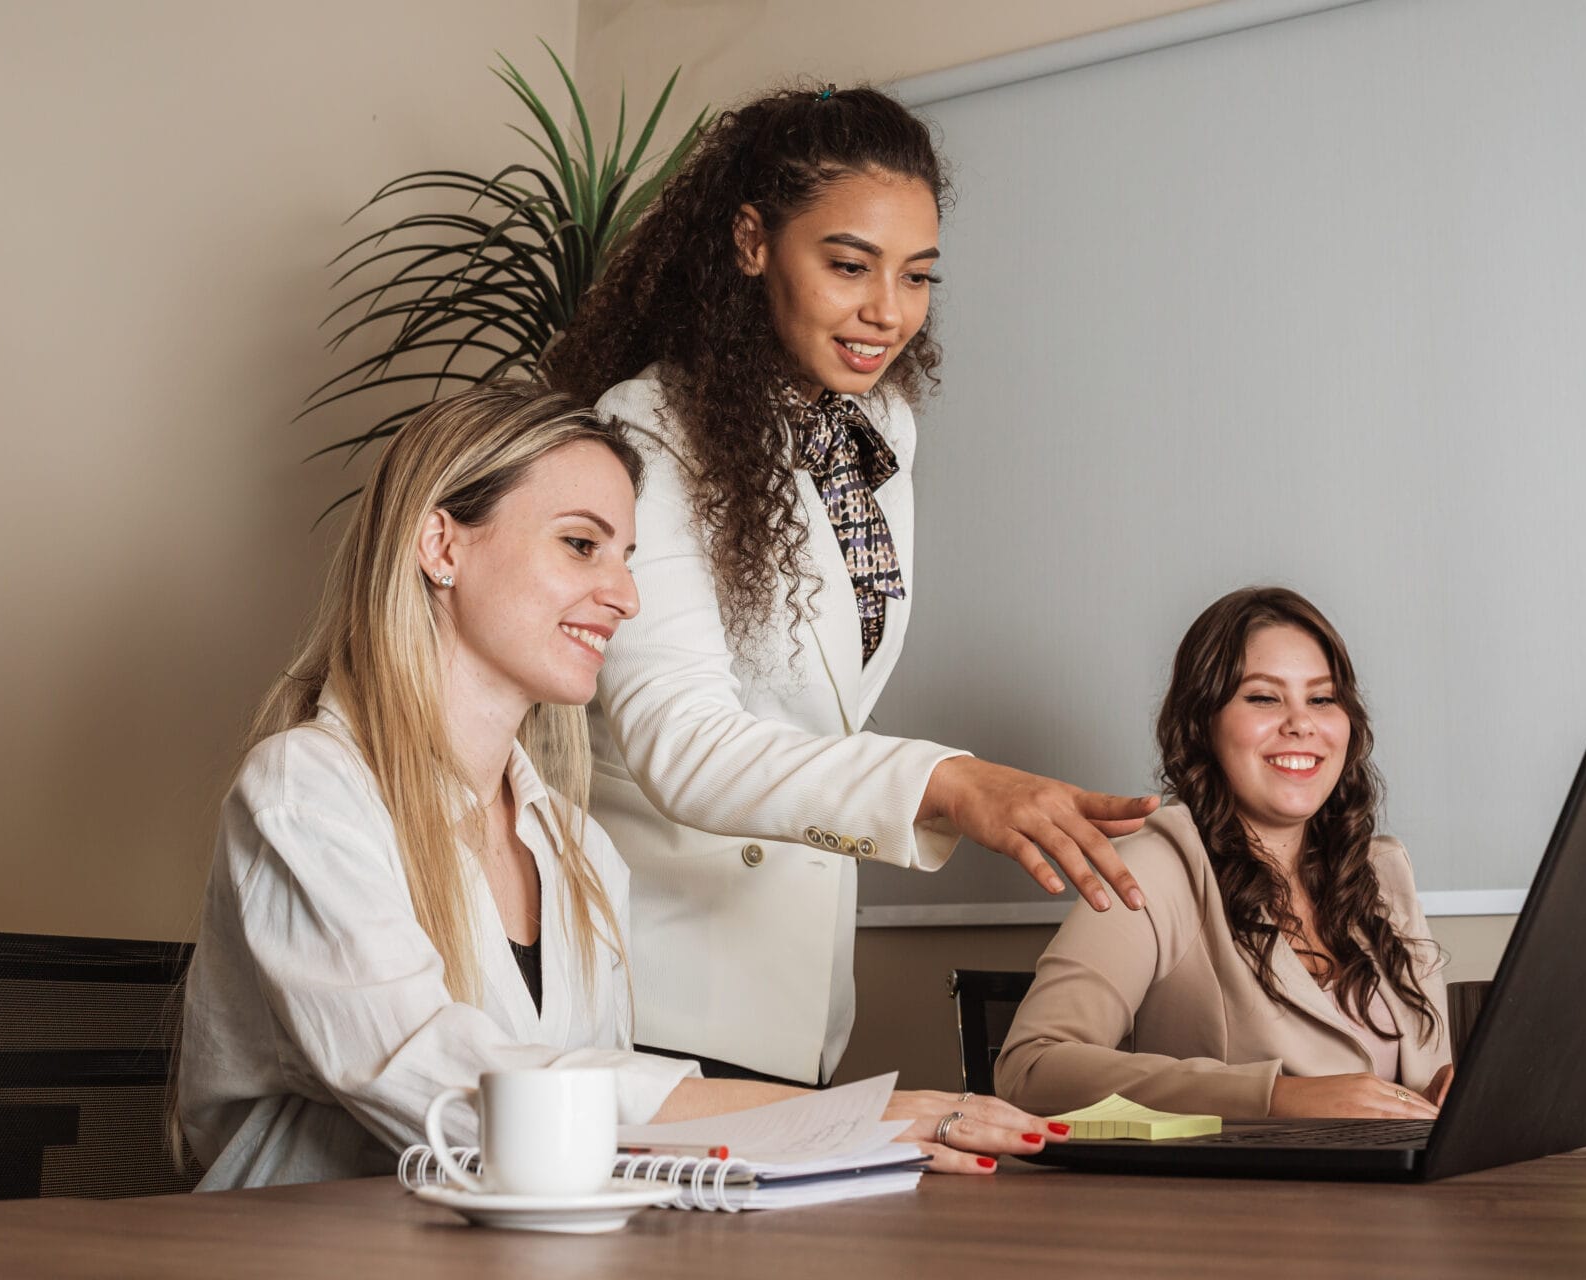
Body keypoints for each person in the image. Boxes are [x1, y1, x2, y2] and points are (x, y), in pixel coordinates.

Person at [175, 382, 1062, 1188]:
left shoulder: (573, 843)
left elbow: (601, 1149)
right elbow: (453, 1088)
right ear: (442, 544)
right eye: (580, 546)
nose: (626, 596)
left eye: (627, 555)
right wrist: (832, 1117)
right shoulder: (307, 790)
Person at [543, 85, 1157, 1086]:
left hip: (795, 986)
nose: (888, 311)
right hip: (650, 988)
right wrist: (946, 779)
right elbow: (680, 742)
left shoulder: (877, 434)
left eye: (917, 276)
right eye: (848, 265)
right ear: (752, 242)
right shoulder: (645, 427)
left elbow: (818, 710)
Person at [993, 587, 1453, 1119]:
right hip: (1239, 1201)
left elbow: (1420, 1087)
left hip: (1403, 1196)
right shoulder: (1158, 866)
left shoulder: (1381, 871)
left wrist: (1448, 1088)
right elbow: (1031, 1068)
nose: (1301, 723)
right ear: (1203, 725)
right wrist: (1277, 1096)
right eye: (1263, 697)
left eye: (1322, 699)